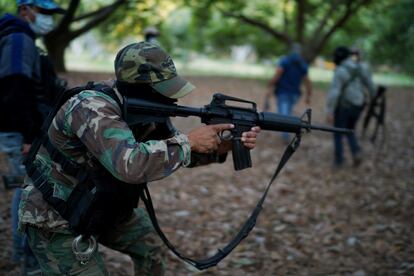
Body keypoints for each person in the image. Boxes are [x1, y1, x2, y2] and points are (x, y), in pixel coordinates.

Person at [18, 41, 261, 275]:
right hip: (56, 216)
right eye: (164, 91)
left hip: (102, 204)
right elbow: (130, 164)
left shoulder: (144, 110)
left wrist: (224, 144)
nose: (172, 100)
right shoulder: (91, 107)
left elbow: (177, 154)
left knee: (151, 249)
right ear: (138, 87)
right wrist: (189, 142)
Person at [0, 0, 64, 274]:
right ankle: (29, 258)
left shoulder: (21, 37)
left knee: (27, 189)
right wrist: (28, 135)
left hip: (23, 128)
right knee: (29, 192)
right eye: (44, 12)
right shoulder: (18, 38)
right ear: (25, 10)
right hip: (20, 131)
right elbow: (16, 87)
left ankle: (28, 255)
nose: (49, 18)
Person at [326, 46, 376, 168]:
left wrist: (329, 111)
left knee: (338, 132)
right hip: (358, 105)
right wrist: (373, 99)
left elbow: (334, 92)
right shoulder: (361, 67)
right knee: (350, 130)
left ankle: (339, 160)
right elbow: (371, 85)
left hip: (344, 106)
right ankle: (356, 152)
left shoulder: (340, 71)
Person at [266, 43, 312, 143]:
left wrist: (270, 84)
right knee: (288, 112)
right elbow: (307, 80)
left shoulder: (285, 61)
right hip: (295, 94)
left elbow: (278, 74)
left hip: (283, 91)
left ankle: (285, 134)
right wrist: (308, 95)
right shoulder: (302, 64)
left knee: (283, 114)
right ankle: (287, 132)